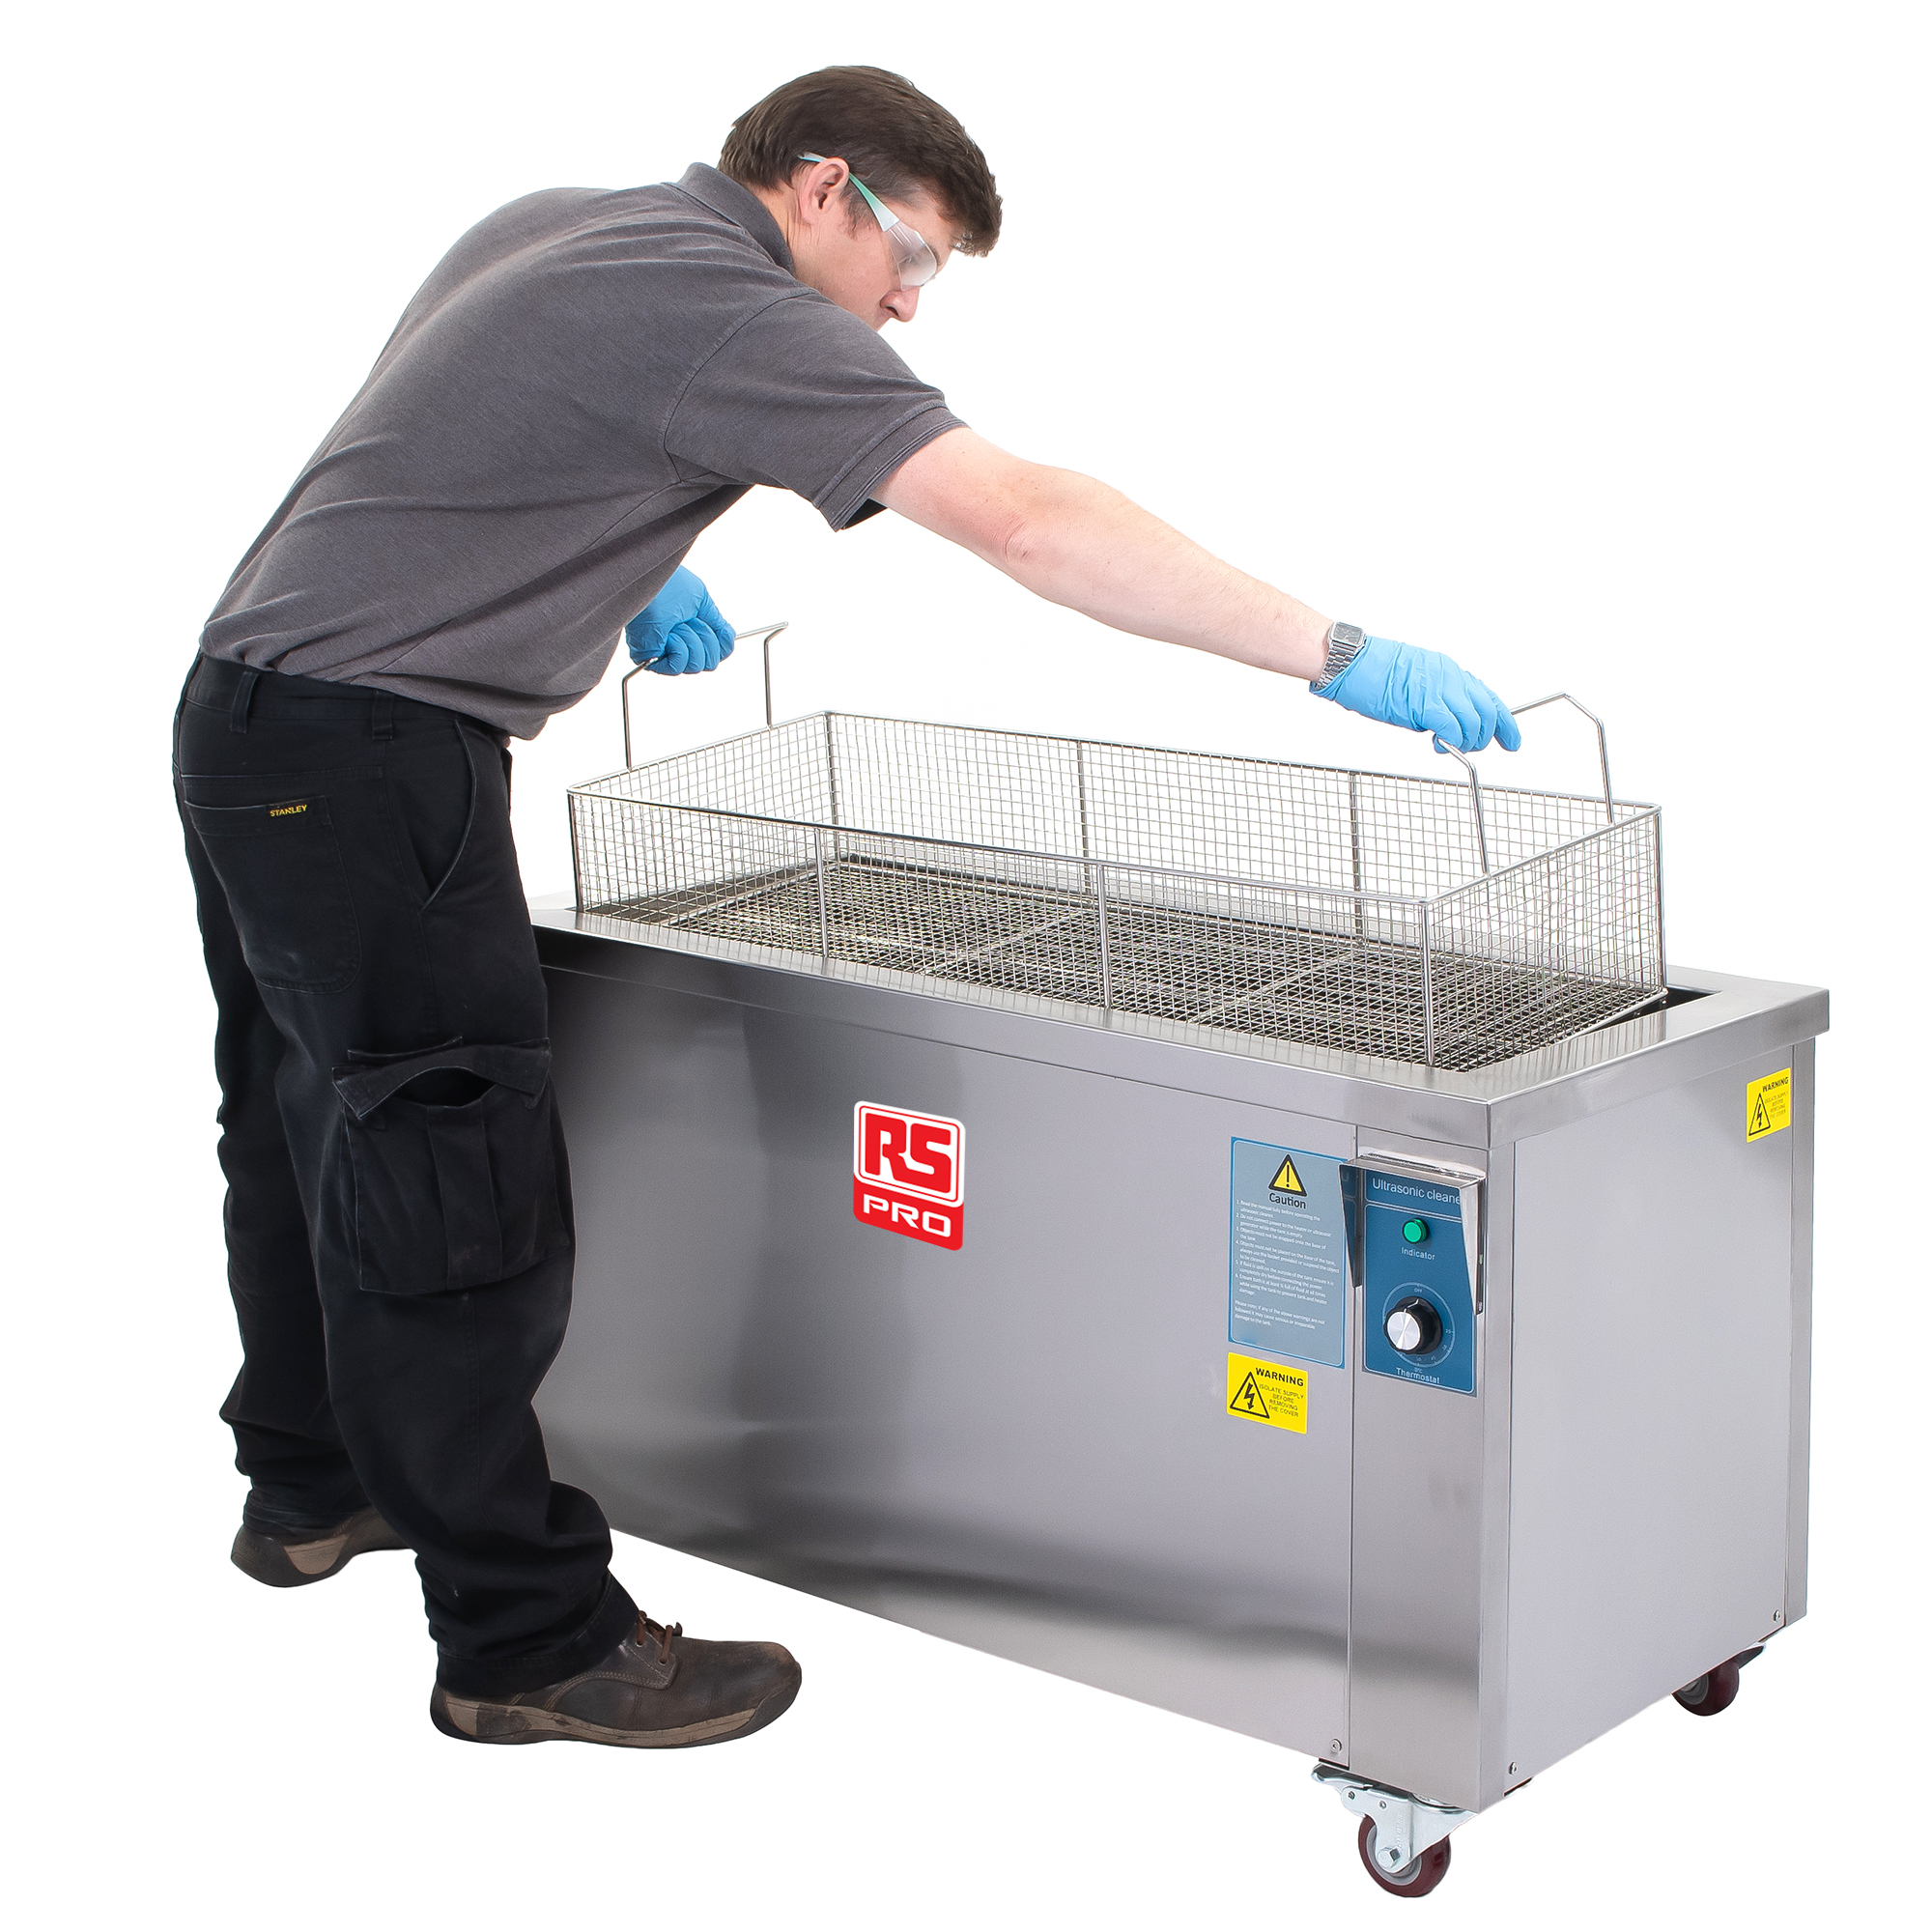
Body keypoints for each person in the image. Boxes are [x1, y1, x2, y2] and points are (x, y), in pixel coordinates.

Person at [176, 64, 1520, 1753]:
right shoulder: (742, 314)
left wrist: (620, 550)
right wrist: (1332, 652)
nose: (907, 305)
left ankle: (310, 1485)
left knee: (304, 1118)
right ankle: (524, 1639)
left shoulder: (564, 227)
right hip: (380, 763)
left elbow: (443, 412)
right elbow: (1029, 525)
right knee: (456, 1190)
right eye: (915, 256)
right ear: (822, 189)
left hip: (246, 726)